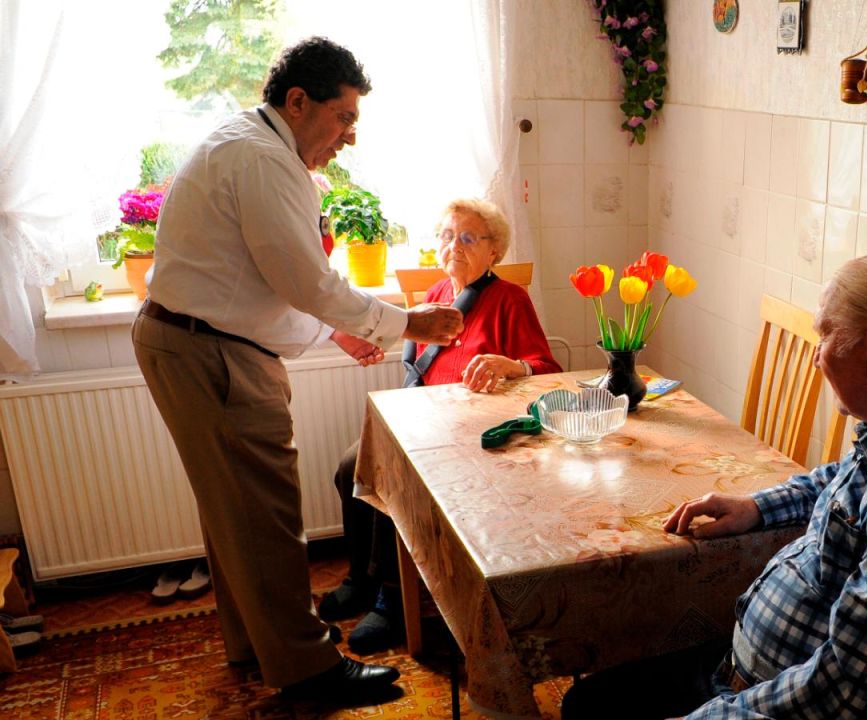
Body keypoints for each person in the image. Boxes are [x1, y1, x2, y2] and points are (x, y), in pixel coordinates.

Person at [131, 37, 465, 702]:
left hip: (197, 342)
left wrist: (338, 328)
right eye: (343, 119)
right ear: (297, 101)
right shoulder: (261, 159)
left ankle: (258, 645)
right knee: (266, 515)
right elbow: (305, 280)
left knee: (236, 513)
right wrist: (409, 322)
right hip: (212, 353)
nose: (347, 138)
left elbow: (273, 279)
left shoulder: (253, 146)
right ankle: (309, 671)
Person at [561, 253, 867, 719]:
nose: (815, 356)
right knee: (590, 700)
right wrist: (756, 508)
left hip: (801, 705)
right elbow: (847, 478)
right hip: (752, 677)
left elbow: (843, 687)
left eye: (824, 336)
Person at [319, 198, 561, 653]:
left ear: (494, 252)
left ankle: (390, 601)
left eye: (469, 238)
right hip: (422, 419)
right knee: (350, 465)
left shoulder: (510, 298)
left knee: (394, 474)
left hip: (474, 429)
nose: (455, 246)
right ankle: (362, 577)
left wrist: (511, 365)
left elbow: (547, 367)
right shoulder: (433, 296)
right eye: (448, 236)